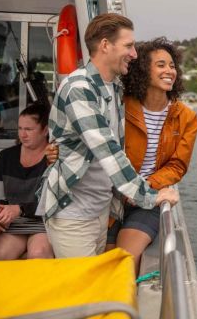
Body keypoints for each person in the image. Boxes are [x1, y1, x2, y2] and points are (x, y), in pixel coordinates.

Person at [48, 38, 197, 274]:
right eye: (161, 65)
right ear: (142, 70)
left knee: (125, 258)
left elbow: (178, 165)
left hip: (147, 197)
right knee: (103, 260)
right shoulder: (119, 105)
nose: (169, 71)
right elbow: (93, 141)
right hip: (110, 196)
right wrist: (57, 151)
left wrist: (147, 185)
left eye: (172, 66)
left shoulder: (186, 117)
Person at [36, 13, 178, 258]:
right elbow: (107, 149)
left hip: (101, 209)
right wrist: (150, 196)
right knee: (82, 293)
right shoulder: (79, 88)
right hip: (73, 213)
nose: (133, 54)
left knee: (96, 288)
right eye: (128, 46)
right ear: (105, 45)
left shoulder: (114, 87)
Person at [0, 102, 54, 260]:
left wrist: (21, 208)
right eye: (20, 128)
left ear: (45, 130)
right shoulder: (5, 157)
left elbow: (54, 201)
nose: (22, 134)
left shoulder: (53, 157)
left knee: (39, 253)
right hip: (13, 223)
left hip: (43, 223)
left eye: (29, 129)